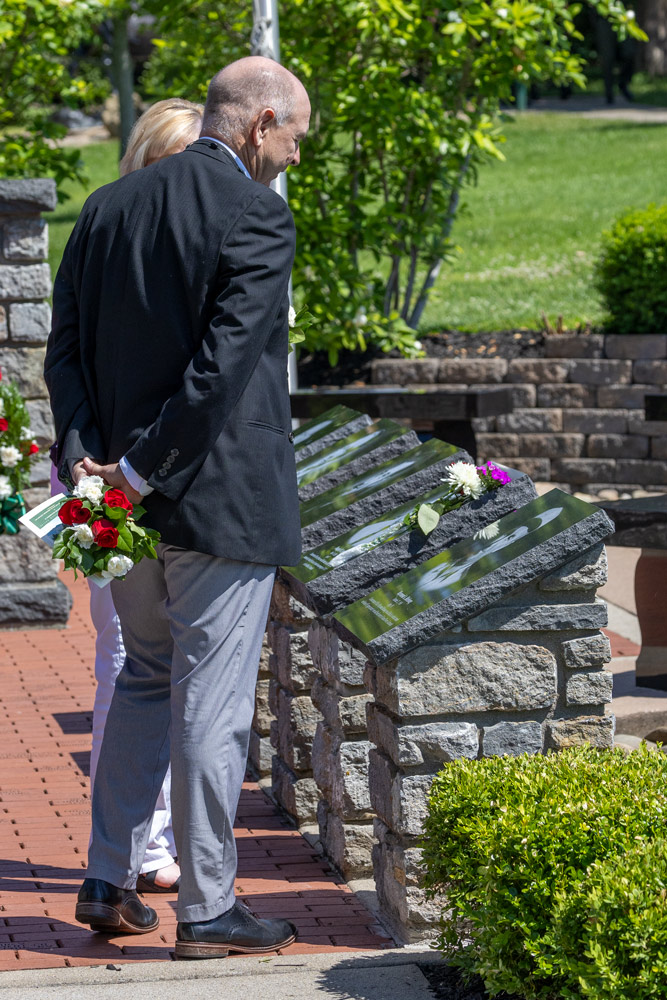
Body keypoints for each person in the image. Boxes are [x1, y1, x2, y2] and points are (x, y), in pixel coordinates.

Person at [44, 56, 310, 957]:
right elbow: (219, 373)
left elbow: (65, 352)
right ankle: (206, 909)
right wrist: (141, 472)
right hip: (213, 505)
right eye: (294, 139)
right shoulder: (258, 216)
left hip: (119, 508)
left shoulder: (107, 207)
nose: (294, 159)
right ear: (260, 122)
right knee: (211, 705)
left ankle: (106, 878)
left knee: (145, 679)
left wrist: (89, 461)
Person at [89, 98, 205, 895]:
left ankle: (145, 844)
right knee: (128, 659)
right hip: (111, 482)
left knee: (162, 664)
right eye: (168, 163)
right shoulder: (107, 237)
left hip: (187, 489)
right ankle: (139, 842)